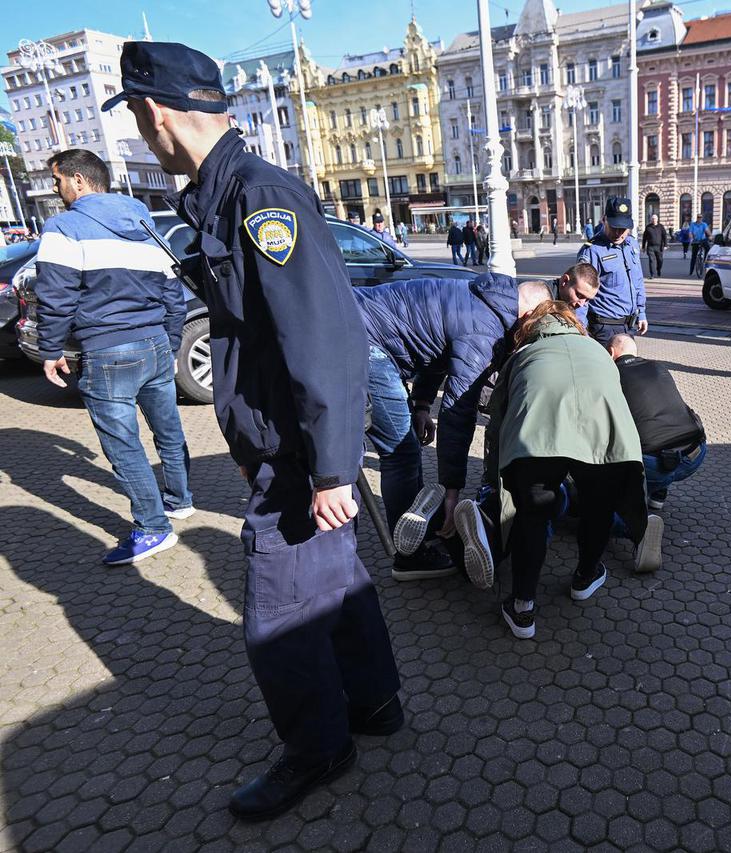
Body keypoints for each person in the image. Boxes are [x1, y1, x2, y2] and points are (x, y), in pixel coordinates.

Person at [114, 40, 402, 820]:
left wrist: (335, 468)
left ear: (158, 114)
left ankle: (320, 746)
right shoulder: (223, 194)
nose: (143, 135)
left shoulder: (256, 198)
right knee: (336, 583)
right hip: (289, 448)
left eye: (140, 118)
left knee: (278, 616)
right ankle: (374, 704)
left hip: (302, 458)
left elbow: (326, 336)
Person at [355, 264, 600, 581]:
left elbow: (437, 350)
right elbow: (457, 411)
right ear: (527, 317)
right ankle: (410, 557)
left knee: (408, 445)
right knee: (400, 453)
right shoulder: (484, 332)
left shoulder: (488, 298)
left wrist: (422, 403)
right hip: (361, 339)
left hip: (364, 324)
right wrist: (452, 489)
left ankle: (420, 527)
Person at [459, 301, 661, 639]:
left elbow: (496, 422)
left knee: (531, 517)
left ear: (531, 328)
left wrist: (495, 481)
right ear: (573, 324)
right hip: (605, 441)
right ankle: (585, 577)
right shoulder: (598, 351)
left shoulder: (522, 357)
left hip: (537, 443)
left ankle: (523, 607)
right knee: (598, 509)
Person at [34, 148, 193, 565]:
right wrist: (171, 341)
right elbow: (172, 293)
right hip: (156, 343)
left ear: (80, 181)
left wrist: (50, 349)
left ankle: (154, 528)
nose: (56, 189)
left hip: (107, 350)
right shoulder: (143, 223)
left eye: (58, 181)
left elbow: (55, 294)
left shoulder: (64, 226)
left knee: (125, 446)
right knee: (168, 429)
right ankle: (180, 500)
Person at [606, 334, 706, 510]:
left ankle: (633, 519)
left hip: (655, 465)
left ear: (611, 352)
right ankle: (658, 494)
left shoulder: (612, 376)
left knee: (608, 490)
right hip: (695, 453)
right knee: (661, 430)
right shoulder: (658, 367)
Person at [576, 196, 648, 346]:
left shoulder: (632, 244)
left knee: (627, 368)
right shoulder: (592, 250)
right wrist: (580, 328)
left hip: (629, 325)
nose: (619, 233)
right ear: (604, 220)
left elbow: (638, 281)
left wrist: (641, 312)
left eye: (623, 228)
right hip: (604, 328)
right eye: (614, 227)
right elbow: (580, 294)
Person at [641, 213, 667, 278]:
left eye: (655, 219)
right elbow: (644, 237)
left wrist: (665, 245)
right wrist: (643, 247)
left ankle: (658, 269)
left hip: (659, 247)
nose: (653, 220)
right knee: (651, 260)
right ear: (651, 220)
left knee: (660, 260)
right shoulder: (648, 227)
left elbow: (664, 236)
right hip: (650, 247)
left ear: (657, 219)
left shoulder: (661, 227)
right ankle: (652, 274)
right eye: (652, 219)